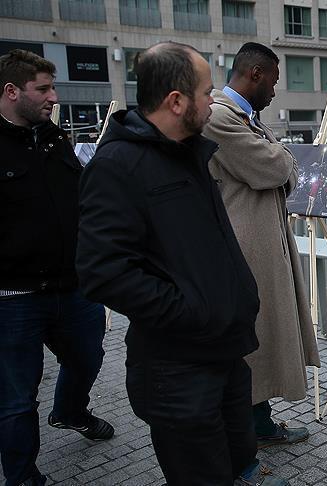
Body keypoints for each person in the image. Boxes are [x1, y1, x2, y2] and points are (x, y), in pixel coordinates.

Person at [75, 42, 287, 486]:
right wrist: (191, 311)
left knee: (235, 459)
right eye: (208, 92)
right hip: (177, 365)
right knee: (200, 472)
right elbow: (103, 271)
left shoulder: (192, 153)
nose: (215, 100)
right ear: (176, 101)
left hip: (225, 352)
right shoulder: (118, 167)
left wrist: (234, 302)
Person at [0, 49, 113, 486]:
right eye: (43, 89)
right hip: (14, 299)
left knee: (88, 359)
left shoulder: (53, 138)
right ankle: (23, 477)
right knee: (14, 400)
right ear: (11, 92)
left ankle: (69, 412)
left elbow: (79, 201)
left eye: (53, 88)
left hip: (74, 288)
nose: (53, 98)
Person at [203, 42, 319, 448]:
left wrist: (281, 160)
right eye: (273, 80)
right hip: (244, 250)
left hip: (260, 246)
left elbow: (282, 168)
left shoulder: (245, 117)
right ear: (255, 74)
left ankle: (258, 420)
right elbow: (276, 167)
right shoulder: (219, 117)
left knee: (263, 339)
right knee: (253, 341)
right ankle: (246, 430)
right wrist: (282, 158)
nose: (274, 90)